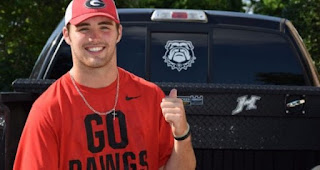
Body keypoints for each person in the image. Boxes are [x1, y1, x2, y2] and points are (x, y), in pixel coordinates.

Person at [13, 0, 196, 169]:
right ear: (67, 35)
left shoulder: (150, 96)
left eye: (104, 27)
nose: (95, 37)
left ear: (119, 33)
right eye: (84, 28)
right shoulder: (49, 109)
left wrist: (182, 133)